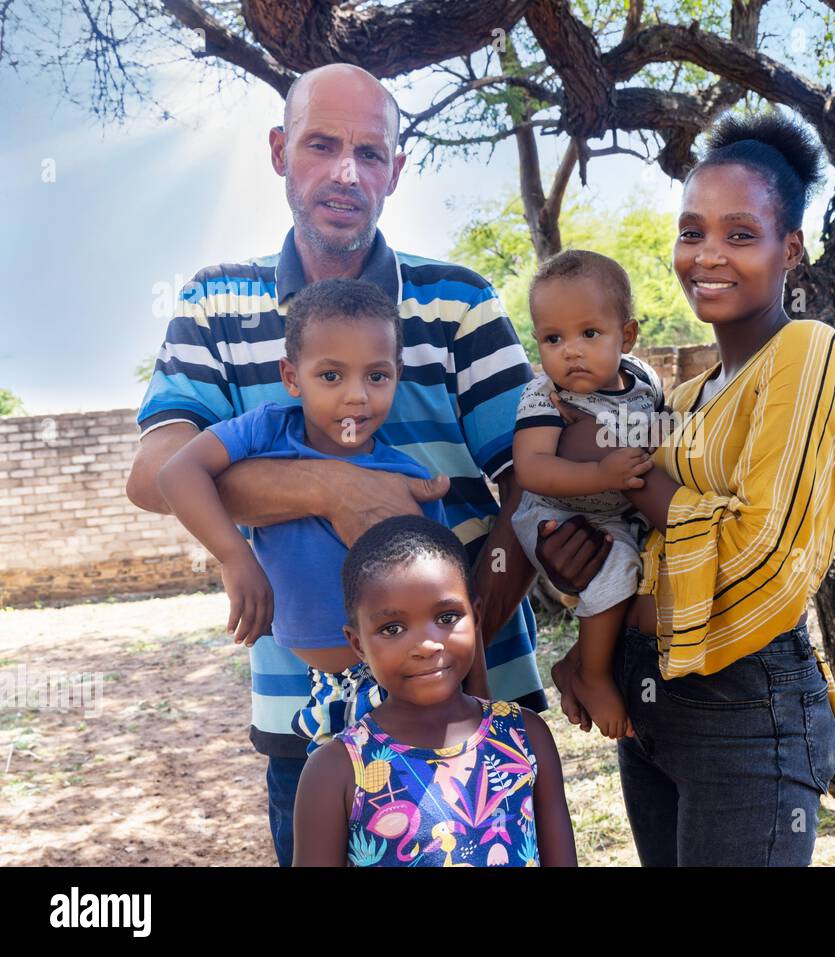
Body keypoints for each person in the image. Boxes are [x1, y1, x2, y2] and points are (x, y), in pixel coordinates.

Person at [126, 63, 546, 866]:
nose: (346, 172)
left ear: (397, 166)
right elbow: (155, 471)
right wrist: (330, 484)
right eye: (322, 145)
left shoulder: (459, 302)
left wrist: (460, 643)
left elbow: (529, 477)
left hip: (477, 700)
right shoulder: (217, 306)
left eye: (370, 151)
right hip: (311, 722)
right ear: (281, 152)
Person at [548, 111, 835, 866]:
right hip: (649, 697)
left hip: (744, 704)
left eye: (740, 234)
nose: (708, 255)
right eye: (692, 232)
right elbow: (638, 543)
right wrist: (585, 584)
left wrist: (632, 480)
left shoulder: (809, 353)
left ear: (791, 247)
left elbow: (760, 556)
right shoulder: (686, 400)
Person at [157, 279, 469, 752]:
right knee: (322, 815)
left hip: (403, 691)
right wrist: (235, 558)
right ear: (290, 375)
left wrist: (475, 709)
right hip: (322, 695)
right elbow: (178, 472)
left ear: (397, 374)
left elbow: (452, 607)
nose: (356, 397)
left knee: (406, 819)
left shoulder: (405, 482)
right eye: (331, 376)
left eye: (377, 376)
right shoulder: (266, 432)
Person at [292, 515, 576, 867]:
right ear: (358, 644)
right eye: (392, 628)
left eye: (446, 618)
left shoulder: (525, 737)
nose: (426, 645)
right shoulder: (335, 771)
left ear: (475, 617)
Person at [510, 250, 661, 740]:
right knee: (617, 566)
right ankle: (592, 675)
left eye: (588, 334)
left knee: (655, 570)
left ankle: (576, 662)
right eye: (554, 338)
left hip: (621, 515)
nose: (570, 351)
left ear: (628, 336)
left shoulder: (645, 383)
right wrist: (601, 472)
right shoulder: (545, 395)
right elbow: (531, 468)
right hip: (554, 515)